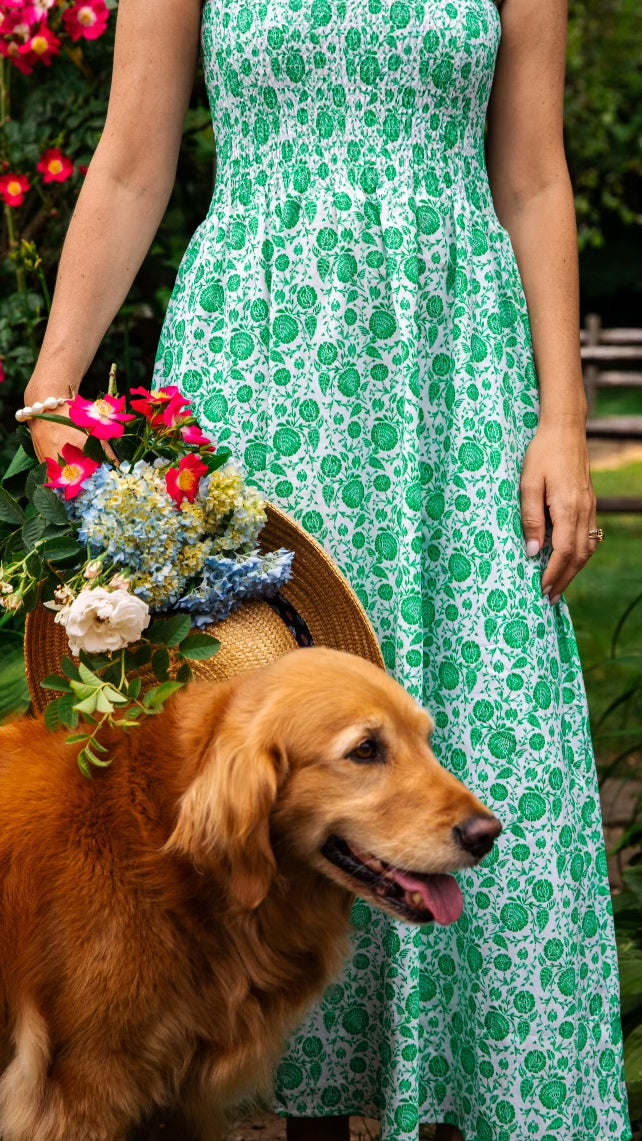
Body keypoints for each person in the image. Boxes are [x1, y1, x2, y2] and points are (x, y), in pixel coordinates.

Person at [23, 0, 631, 1138]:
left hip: (458, 369)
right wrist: (53, 389)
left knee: (490, 715)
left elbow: (537, 179)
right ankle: (279, 1092)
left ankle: (481, 1097)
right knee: (274, 736)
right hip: (260, 368)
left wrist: (562, 418)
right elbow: (130, 164)